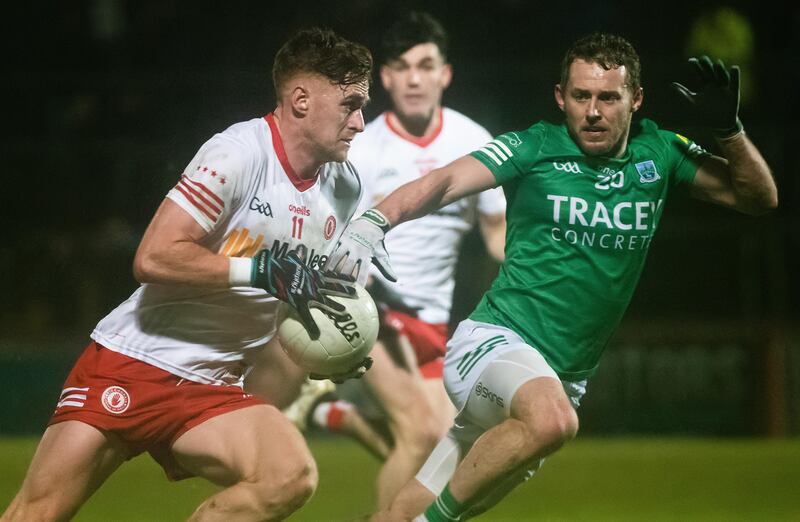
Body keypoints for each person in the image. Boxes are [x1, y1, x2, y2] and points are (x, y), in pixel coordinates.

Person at [328, 32, 778, 521]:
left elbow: (759, 198)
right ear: (561, 97)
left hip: (562, 380)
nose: (593, 111)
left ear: (636, 99)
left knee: (400, 512)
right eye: (581, 96)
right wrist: (375, 222)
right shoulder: (534, 146)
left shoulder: (661, 153)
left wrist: (729, 131)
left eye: (608, 97)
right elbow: (444, 182)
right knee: (553, 423)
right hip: (494, 343)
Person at [1, 27, 373, 522]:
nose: (360, 123)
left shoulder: (344, 188)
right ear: (301, 99)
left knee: (288, 477)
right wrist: (258, 269)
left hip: (213, 385)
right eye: (350, 105)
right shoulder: (239, 154)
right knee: (37, 514)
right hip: (136, 360)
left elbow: (292, 287)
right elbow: (154, 257)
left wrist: (332, 345)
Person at [284, 11, 506, 509]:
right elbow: (321, 229)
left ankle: (337, 414)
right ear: (384, 78)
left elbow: (497, 232)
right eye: (402, 67)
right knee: (423, 432)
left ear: (445, 74)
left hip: (434, 318)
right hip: (368, 307)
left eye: (425, 66)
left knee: (446, 447)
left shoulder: (474, 142)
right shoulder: (361, 147)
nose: (413, 79)